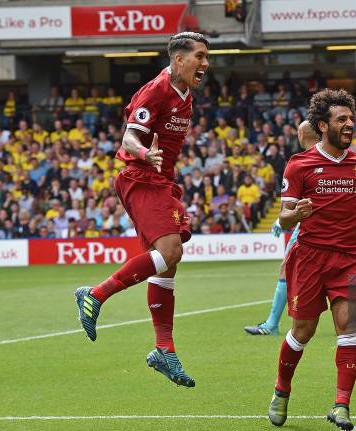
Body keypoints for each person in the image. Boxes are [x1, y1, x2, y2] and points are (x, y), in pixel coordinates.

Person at [73, 32, 210, 388]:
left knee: (169, 261)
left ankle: (164, 348)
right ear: (179, 60)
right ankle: (95, 294)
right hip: (142, 176)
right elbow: (128, 138)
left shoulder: (186, 94)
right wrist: (144, 153)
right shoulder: (157, 89)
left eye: (207, 57)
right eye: (200, 56)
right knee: (170, 251)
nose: (205, 63)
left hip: (162, 181)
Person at [267, 89, 356, 431]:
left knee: (349, 329)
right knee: (302, 331)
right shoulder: (299, 164)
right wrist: (296, 214)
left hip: (350, 260)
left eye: (351, 118)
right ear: (322, 125)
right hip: (309, 258)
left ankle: (341, 405)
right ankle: (281, 390)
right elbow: (284, 218)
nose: (350, 124)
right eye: (341, 120)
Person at [244, 121, 319, 336]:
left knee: (288, 267)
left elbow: (297, 200)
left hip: (309, 225)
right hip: (329, 224)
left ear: (301, 134)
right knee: (340, 270)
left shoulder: (302, 162)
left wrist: (281, 221)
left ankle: (272, 324)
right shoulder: (331, 155)